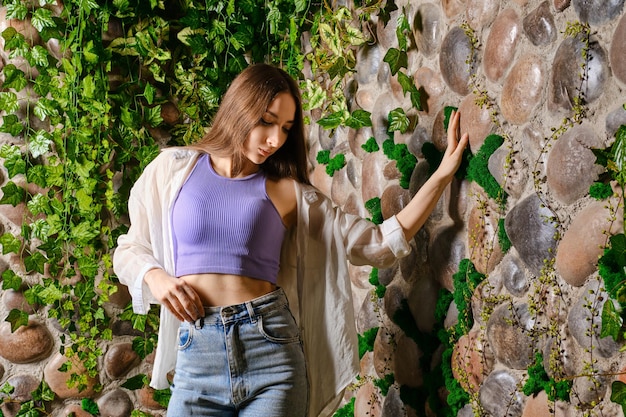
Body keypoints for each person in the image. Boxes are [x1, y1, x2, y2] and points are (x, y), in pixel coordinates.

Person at [113, 63, 469, 417]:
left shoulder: (289, 194)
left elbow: (375, 243)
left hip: (270, 352)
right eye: (267, 121)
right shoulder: (173, 170)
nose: (275, 140)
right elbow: (129, 249)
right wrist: (156, 279)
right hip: (197, 357)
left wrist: (441, 176)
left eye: (285, 128)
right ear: (239, 108)